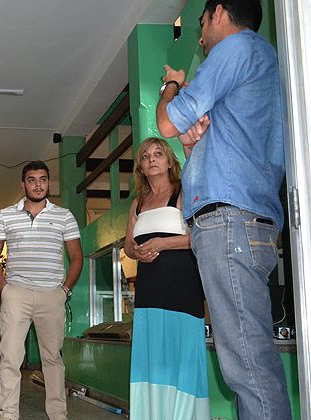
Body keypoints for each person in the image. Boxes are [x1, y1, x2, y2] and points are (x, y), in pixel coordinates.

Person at [155, 0, 291, 418]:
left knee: (247, 368)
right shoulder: (261, 64)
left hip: (229, 222)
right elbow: (197, 137)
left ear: (218, 13)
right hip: (245, 220)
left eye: (200, 23)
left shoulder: (235, 48)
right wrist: (192, 139)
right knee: (249, 363)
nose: (199, 37)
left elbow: (165, 122)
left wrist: (172, 87)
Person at [0, 161, 83, 420]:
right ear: (23, 184)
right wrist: (5, 289)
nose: (38, 184)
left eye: (42, 179)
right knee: (10, 358)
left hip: (51, 295)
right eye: (32, 180)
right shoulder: (5, 215)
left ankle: (58, 413)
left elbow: (76, 257)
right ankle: (8, 414)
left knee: (52, 359)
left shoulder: (64, 216)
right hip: (16, 294)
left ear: (48, 183)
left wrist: (64, 291)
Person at [124, 138, 209, 419]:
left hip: (182, 286)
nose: (152, 160)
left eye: (158, 154)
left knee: (183, 353)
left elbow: (202, 236)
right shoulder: (138, 203)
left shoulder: (185, 192)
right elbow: (127, 245)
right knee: (153, 356)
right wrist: (135, 251)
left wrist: (162, 243)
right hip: (149, 291)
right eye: (146, 156)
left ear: (170, 161)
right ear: (140, 167)